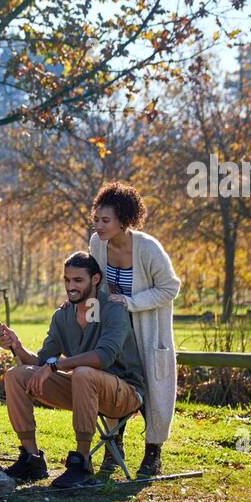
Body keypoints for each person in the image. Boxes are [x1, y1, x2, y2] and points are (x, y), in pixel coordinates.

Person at [0, 252, 146, 489]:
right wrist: (17, 346)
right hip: (82, 388)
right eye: (67, 280)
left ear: (95, 279)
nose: (71, 286)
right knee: (16, 375)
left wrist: (54, 366)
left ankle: (81, 461)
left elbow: (103, 356)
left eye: (78, 280)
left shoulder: (112, 310)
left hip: (123, 394)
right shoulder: (63, 315)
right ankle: (32, 458)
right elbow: (43, 360)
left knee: (83, 372)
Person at [88, 182, 182, 477]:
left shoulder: (148, 248)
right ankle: (114, 448)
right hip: (116, 332)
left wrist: (130, 302)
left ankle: (153, 454)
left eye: (106, 221)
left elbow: (170, 288)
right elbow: (96, 285)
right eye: (97, 219)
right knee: (114, 385)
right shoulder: (96, 244)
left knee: (154, 391)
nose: (99, 226)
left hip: (148, 330)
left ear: (123, 220)